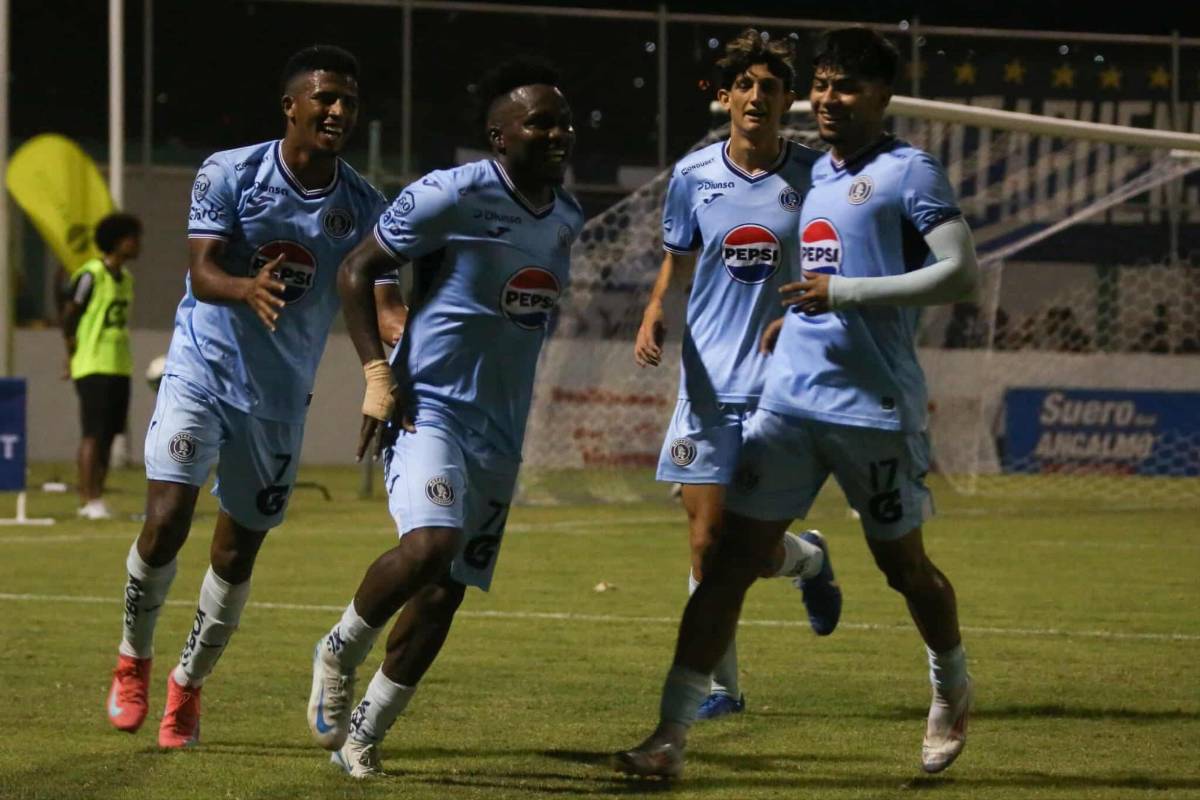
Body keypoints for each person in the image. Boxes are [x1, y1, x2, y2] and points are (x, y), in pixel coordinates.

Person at [616, 26, 980, 779]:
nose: (828, 98)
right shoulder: (810, 180)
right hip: (786, 403)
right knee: (725, 562)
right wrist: (800, 317)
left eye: (846, 86)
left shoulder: (909, 171)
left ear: (882, 95)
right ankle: (669, 735)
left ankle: (951, 684)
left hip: (872, 406)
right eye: (822, 84)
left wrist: (841, 295)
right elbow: (814, 271)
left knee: (904, 568)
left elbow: (959, 274)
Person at [103, 45, 401, 748]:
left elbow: (383, 300)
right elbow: (203, 271)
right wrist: (247, 287)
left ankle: (187, 685)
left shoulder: (364, 204)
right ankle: (133, 658)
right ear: (291, 106)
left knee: (236, 555)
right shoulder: (230, 172)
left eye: (349, 101)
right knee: (166, 518)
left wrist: (403, 349)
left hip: (278, 398)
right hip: (200, 372)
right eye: (325, 98)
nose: (338, 111)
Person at [305, 58, 582, 779]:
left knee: (444, 590)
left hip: (500, 428)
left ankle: (365, 733)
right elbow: (358, 268)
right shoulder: (450, 194)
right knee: (431, 543)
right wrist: (377, 375)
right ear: (500, 136)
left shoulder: (567, 218)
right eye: (541, 122)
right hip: (428, 406)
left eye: (564, 122)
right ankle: (339, 647)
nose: (559, 133)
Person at [633, 28, 839, 721]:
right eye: (744, 85)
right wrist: (655, 310)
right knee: (707, 540)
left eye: (770, 87)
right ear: (726, 97)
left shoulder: (817, 175)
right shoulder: (694, 175)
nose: (756, 96)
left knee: (743, 546)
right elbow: (679, 259)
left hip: (783, 384)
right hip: (706, 381)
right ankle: (723, 688)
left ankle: (807, 560)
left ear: (787, 100)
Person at [61, 212, 141, 520]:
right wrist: (70, 352)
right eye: (132, 238)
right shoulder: (91, 275)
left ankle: (98, 496)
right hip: (92, 362)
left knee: (109, 433)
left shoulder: (127, 279)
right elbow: (70, 313)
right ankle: (87, 498)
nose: (137, 244)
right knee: (93, 432)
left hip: (119, 364)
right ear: (117, 241)